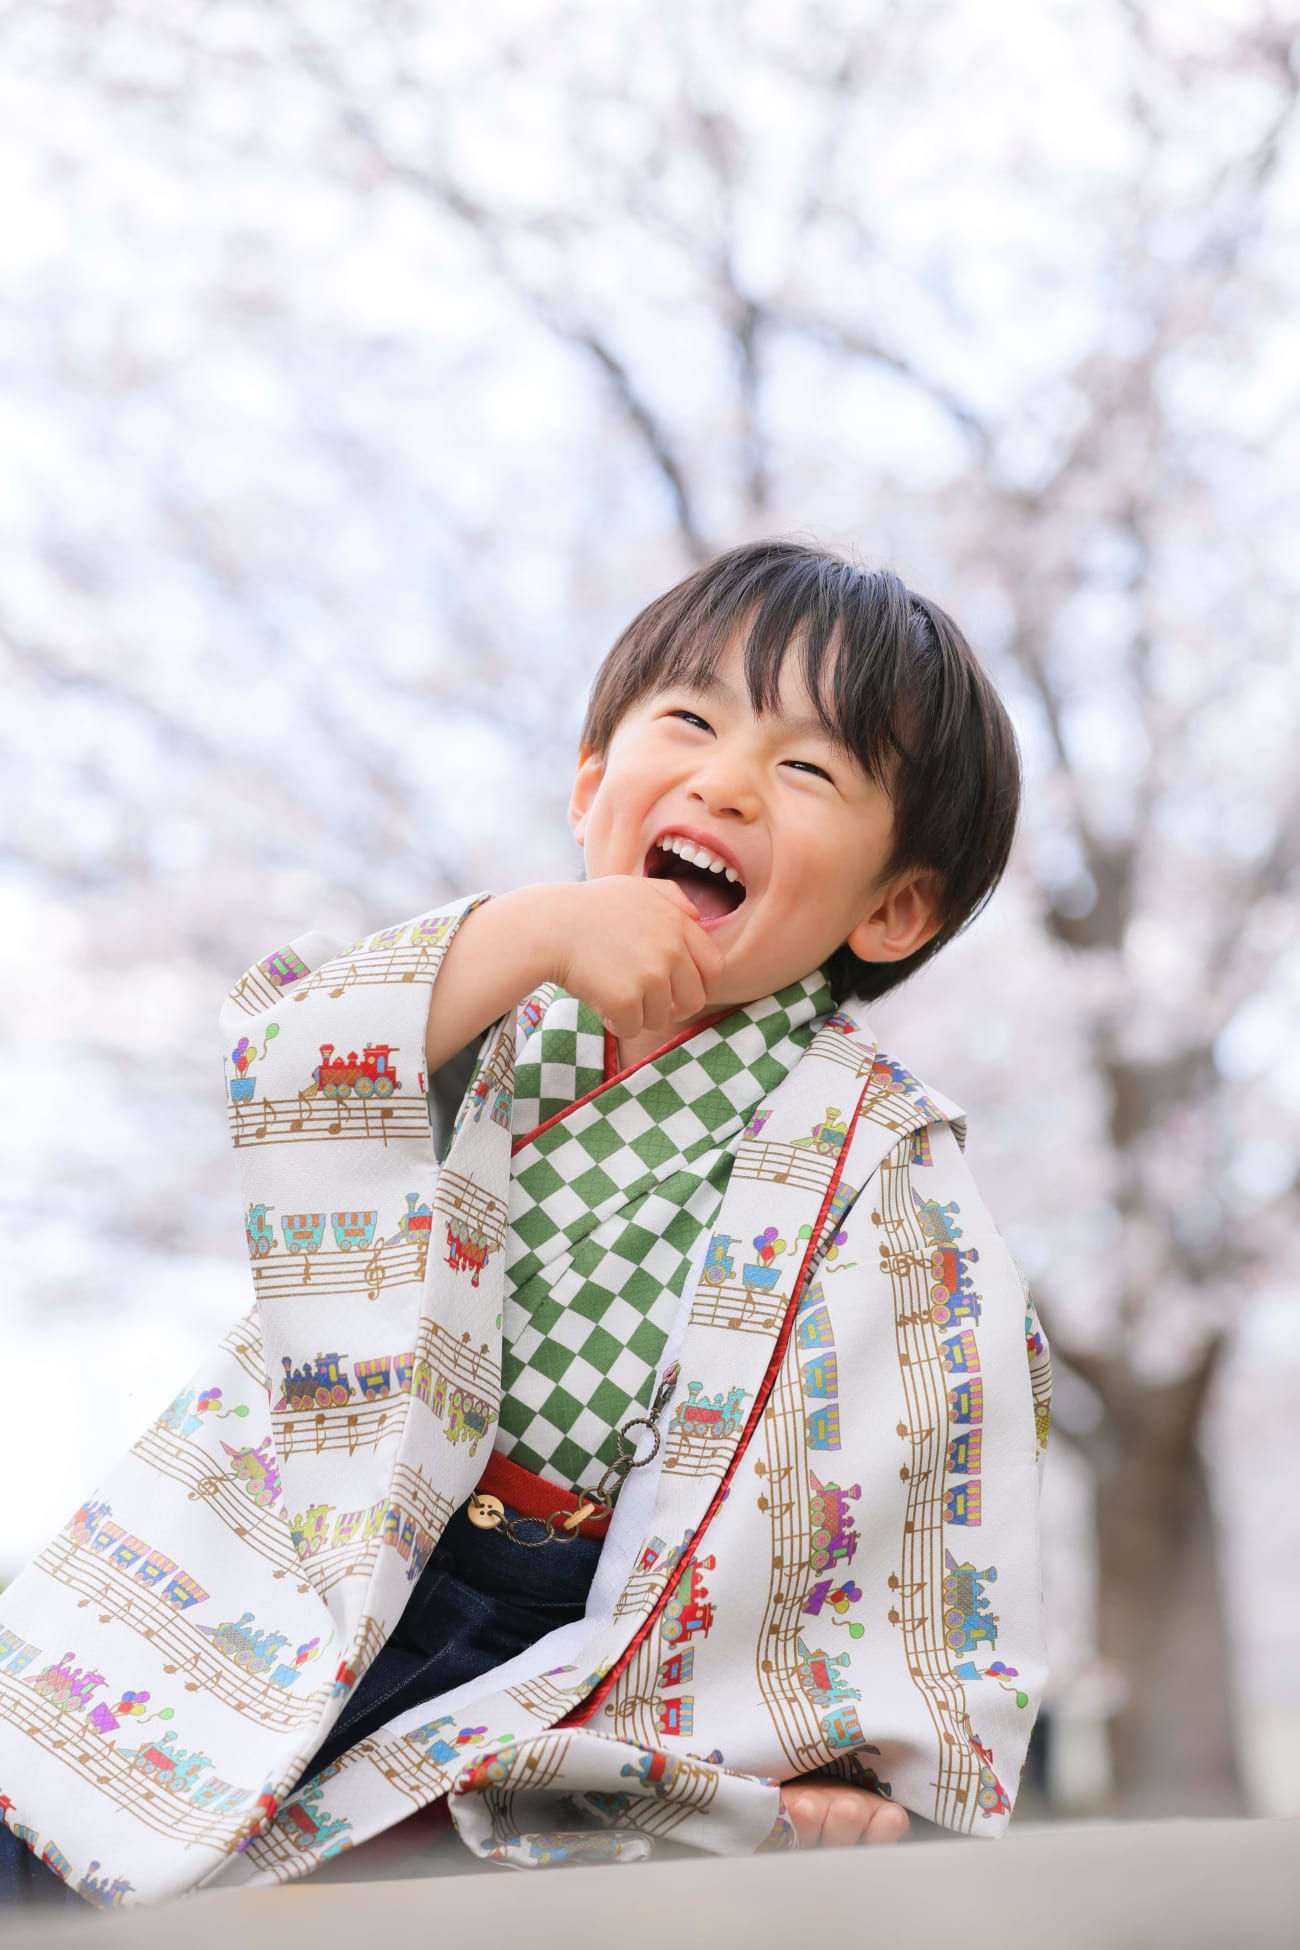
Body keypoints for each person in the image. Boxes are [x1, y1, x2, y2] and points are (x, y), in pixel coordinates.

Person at [0, 539, 1051, 1906]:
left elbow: (927, 1436)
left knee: (359, 1900)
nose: (727, 779)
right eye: (689, 721)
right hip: (315, 1519)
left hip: (564, 1616)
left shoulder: (876, 1154)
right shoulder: (493, 995)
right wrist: (528, 933)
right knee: (57, 1798)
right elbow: (296, 1058)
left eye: (808, 769)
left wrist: (864, 1756)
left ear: (894, 906)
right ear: (589, 785)